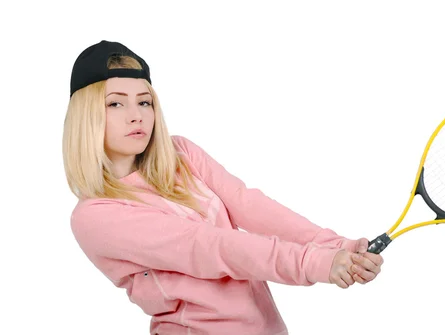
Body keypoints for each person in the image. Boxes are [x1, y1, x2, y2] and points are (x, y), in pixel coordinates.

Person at [63, 40, 384, 335]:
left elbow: (248, 205)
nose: (136, 116)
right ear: (86, 115)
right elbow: (209, 246)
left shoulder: (181, 154)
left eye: (144, 102)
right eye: (116, 104)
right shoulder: (95, 216)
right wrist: (312, 263)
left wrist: (334, 245)